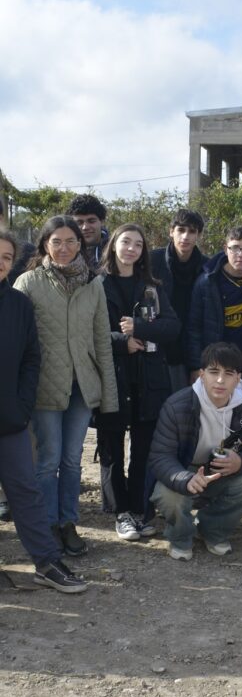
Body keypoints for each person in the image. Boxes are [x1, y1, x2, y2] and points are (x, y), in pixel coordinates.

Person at [14, 216, 118, 556]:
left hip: (82, 386)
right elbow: (16, 339)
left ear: (81, 244)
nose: (64, 248)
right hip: (44, 385)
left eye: (70, 241)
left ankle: (68, 522)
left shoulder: (94, 283)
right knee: (47, 459)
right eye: (56, 241)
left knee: (73, 460)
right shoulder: (28, 282)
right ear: (45, 243)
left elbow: (102, 340)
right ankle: (47, 525)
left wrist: (109, 395)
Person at [0, 231, 86, 592]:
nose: (0, 261)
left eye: (6, 256)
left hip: (10, 420)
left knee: (26, 491)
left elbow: (31, 359)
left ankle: (46, 562)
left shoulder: (18, 304)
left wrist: (21, 406)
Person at [95, 223, 180, 542]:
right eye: (126, 242)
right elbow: (89, 333)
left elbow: (172, 327)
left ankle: (139, 509)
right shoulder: (97, 284)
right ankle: (121, 513)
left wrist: (140, 328)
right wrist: (122, 342)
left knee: (143, 450)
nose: (131, 248)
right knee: (112, 449)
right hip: (113, 378)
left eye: (138, 244)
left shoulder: (152, 286)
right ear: (114, 245)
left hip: (149, 380)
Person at [149, 342, 242, 561]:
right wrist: (184, 478)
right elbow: (160, 456)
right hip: (183, 469)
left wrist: (240, 461)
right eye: (213, 372)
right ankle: (180, 537)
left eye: (228, 374)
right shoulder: (177, 405)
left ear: (238, 378)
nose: (220, 380)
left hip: (219, 472)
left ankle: (212, 530)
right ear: (201, 375)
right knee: (168, 495)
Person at [188, 226, 242, 395]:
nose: (240, 254)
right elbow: (193, 328)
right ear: (225, 249)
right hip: (220, 364)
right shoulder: (207, 282)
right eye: (235, 247)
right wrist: (194, 366)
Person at [150, 208, 207, 392]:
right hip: (157, 350)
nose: (185, 236)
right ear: (171, 231)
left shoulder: (208, 267)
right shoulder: (152, 261)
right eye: (181, 230)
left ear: (198, 235)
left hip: (192, 352)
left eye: (192, 231)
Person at [66, 194, 108, 271]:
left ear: (102, 222)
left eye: (91, 221)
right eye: (79, 222)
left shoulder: (115, 251)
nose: (85, 227)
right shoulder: (63, 251)